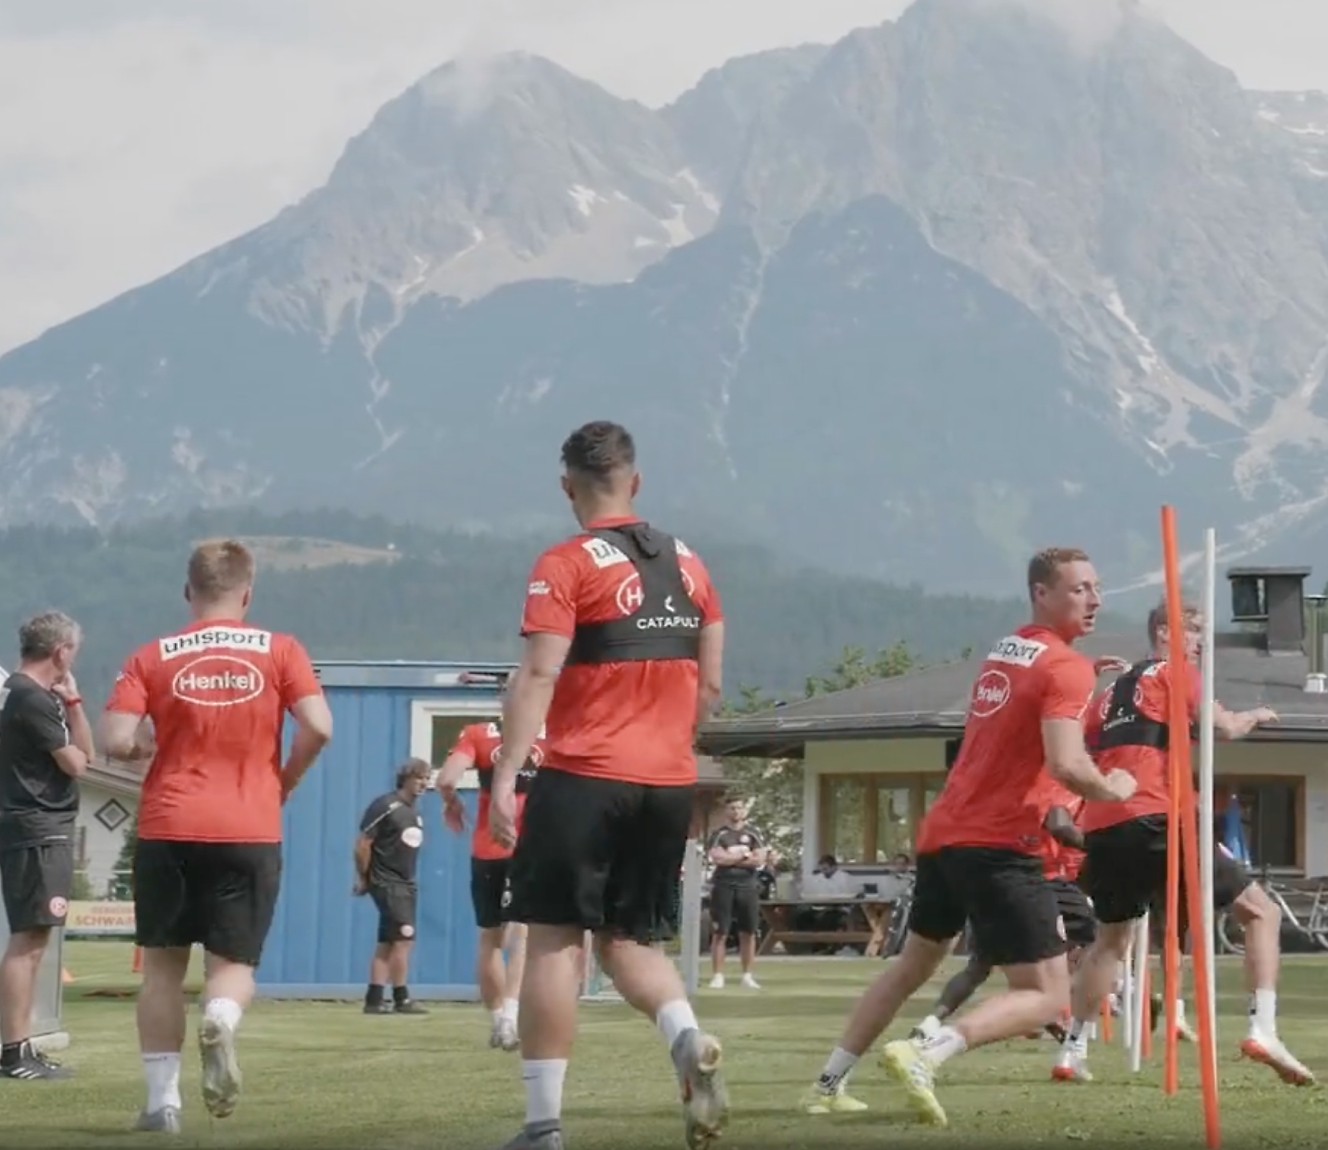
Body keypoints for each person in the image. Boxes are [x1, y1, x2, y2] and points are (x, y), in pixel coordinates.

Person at [799, 547, 1136, 1128]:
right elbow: (1066, 766)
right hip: (999, 844)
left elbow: (1028, 708)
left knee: (912, 965)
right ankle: (926, 1050)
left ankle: (828, 1082)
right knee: (1047, 993)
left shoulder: (1010, 649)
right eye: (1080, 588)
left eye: (1097, 587)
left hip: (944, 833)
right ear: (1041, 593)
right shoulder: (1064, 668)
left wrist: (1079, 677)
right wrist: (1115, 787)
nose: (1095, 599)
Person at [485, 420, 728, 1150]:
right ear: (636, 480)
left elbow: (538, 672)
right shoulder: (689, 562)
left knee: (556, 941)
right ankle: (685, 1037)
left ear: (568, 487)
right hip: (669, 780)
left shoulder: (563, 563)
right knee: (630, 941)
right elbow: (710, 685)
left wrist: (505, 773)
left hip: (585, 776)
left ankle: (543, 1124)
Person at [99, 539, 334, 1132]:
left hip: (169, 825)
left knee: (162, 970)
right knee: (232, 962)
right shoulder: (281, 650)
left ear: (188, 591)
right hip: (249, 824)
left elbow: (115, 740)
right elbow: (319, 727)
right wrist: (285, 779)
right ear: (247, 593)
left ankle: (161, 1105)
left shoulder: (151, 656)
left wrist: (149, 746)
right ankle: (223, 1016)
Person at [1057, 599, 1313, 1085]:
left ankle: (1071, 1050)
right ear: (1165, 632)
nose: (1200, 645)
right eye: (1194, 634)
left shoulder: (1110, 694)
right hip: (1159, 814)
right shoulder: (1178, 673)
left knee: (1110, 940)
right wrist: (1255, 714)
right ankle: (1263, 1027)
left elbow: (1080, 743)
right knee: (1262, 912)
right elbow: (1225, 728)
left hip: (1106, 824)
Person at [907, 784, 1099, 1050]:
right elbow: (1060, 826)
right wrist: (1102, 846)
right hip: (1039, 881)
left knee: (979, 966)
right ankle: (1059, 1019)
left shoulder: (1001, 790)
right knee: (1093, 948)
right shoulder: (1057, 783)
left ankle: (931, 1023)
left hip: (994, 876)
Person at [0, 613, 98, 1080]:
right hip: (39, 828)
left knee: (32, 938)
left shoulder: (14, 693)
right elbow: (80, 762)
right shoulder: (31, 699)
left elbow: (86, 756)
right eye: (72, 652)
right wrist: (71, 706)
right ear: (60, 651)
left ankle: (19, 1048)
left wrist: (74, 703)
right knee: (29, 940)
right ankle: (14, 1052)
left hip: (27, 827)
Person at [436, 715, 547, 1050]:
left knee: (490, 938)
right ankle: (512, 1017)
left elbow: (446, 779)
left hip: (488, 846)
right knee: (523, 934)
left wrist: (451, 804)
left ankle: (498, 1019)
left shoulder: (477, 733)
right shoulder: (551, 733)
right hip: (530, 845)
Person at [354, 759, 431, 1016]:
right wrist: (364, 878)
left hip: (405, 882)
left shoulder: (415, 812)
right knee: (404, 938)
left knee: (387, 941)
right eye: (419, 778)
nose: (423, 783)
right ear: (405, 778)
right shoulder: (386, 805)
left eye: (426, 778)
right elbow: (363, 843)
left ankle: (374, 999)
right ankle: (401, 998)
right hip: (388, 881)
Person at [706, 797, 767, 989]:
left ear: (745, 811)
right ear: (726, 811)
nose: (736, 812)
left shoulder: (754, 833)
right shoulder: (719, 834)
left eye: (739, 808)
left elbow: (759, 860)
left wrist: (732, 857)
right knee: (720, 931)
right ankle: (718, 975)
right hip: (724, 885)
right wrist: (743, 855)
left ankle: (747, 975)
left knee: (748, 931)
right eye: (732, 808)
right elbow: (718, 858)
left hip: (748, 885)